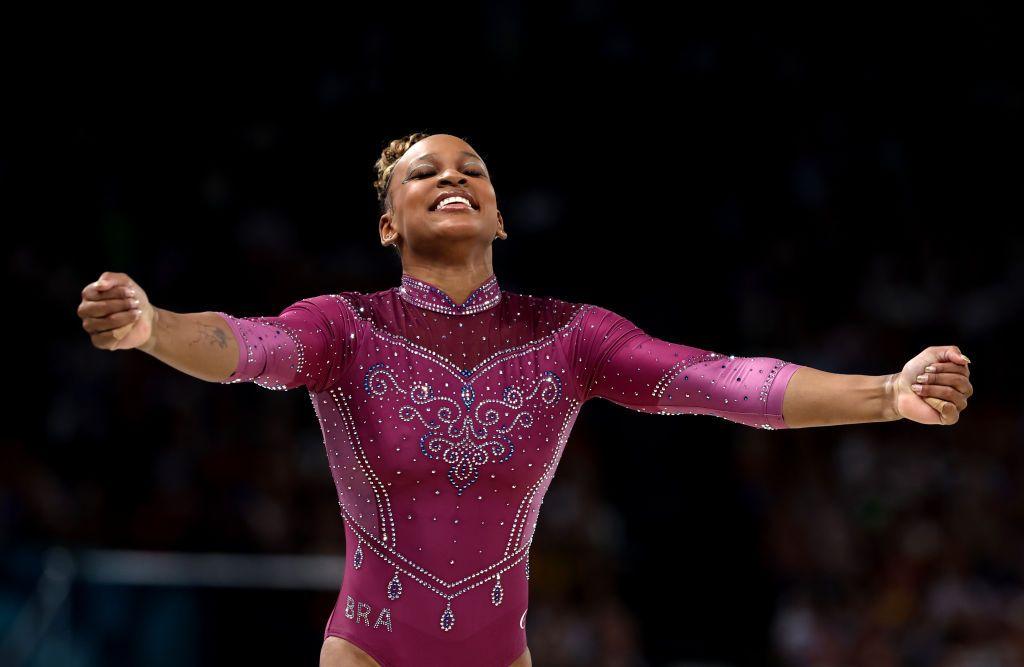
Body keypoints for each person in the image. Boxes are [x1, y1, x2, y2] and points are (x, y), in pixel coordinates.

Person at [77, 132, 973, 667]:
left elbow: (722, 378)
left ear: (501, 215)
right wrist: (154, 325)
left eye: (473, 169)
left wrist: (889, 393)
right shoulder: (346, 327)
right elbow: (244, 344)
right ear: (388, 222)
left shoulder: (568, 335)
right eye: (425, 172)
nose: (454, 177)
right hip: (368, 655)